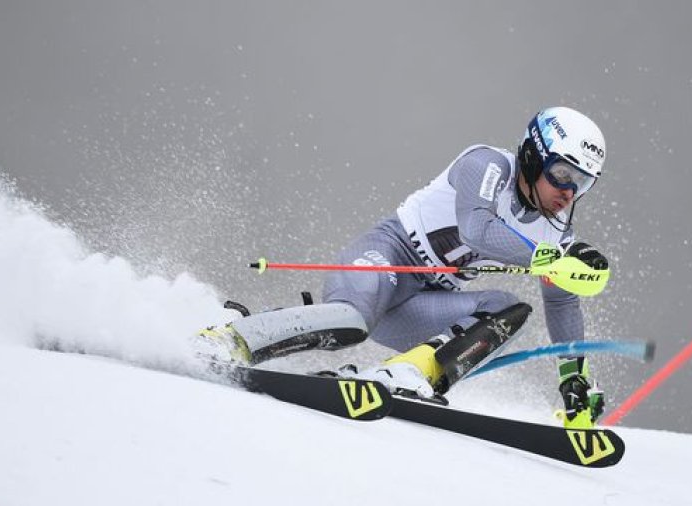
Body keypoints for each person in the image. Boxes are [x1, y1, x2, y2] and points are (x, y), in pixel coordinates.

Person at [198, 106, 610, 428]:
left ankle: (407, 375)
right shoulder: (487, 166)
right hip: (387, 258)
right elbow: (475, 228)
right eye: (562, 174)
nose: (569, 192)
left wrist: (573, 379)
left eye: (583, 183)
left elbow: (561, 304)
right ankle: (233, 337)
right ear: (533, 156)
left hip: (423, 305)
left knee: (507, 308)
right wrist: (552, 258)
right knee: (350, 320)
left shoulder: (554, 232)